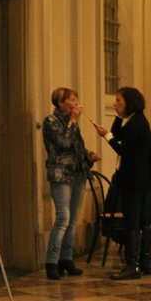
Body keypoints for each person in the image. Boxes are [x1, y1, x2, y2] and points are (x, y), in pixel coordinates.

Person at [95, 85, 151, 280]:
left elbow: (126, 152)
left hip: (134, 180)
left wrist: (107, 137)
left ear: (129, 102)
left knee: (133, 222)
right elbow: (120, 135)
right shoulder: (134, 121)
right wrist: (117, 117)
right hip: (141, 179)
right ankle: (144, 261)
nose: (115, 104)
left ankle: (133, 265)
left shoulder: (136, 124)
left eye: (119, 101)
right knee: (141, 220)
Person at [42, 87, 100, 279]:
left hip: (77, 174)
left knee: (73, 219)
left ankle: (66, 259)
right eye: (72, 100)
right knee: (63, 218)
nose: (76, 103)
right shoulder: (51, 122)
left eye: (76, 99)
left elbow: (77, 147)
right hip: (60, 175)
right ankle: (51, 261)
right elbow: (63, 144)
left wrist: (89, 154)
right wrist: (74, 121)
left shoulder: (72, 124)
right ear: (61, 103)